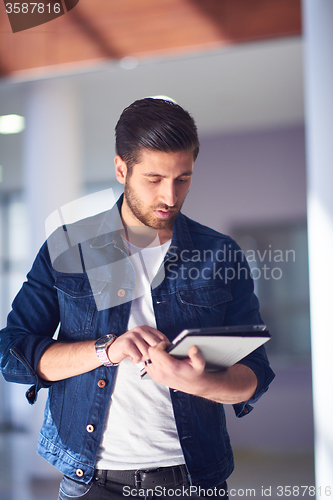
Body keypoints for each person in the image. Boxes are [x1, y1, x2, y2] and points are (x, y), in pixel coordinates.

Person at [0, 97, 275, 500]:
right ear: (120, 169)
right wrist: (105, 350)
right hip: (89, 483)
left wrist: (201, 381)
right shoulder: (70, 248)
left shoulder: (220, 254)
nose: (170, 195)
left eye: (183, 179)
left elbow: (254, 375)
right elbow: (12, 353)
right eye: (154, 179)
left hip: (196, 483)